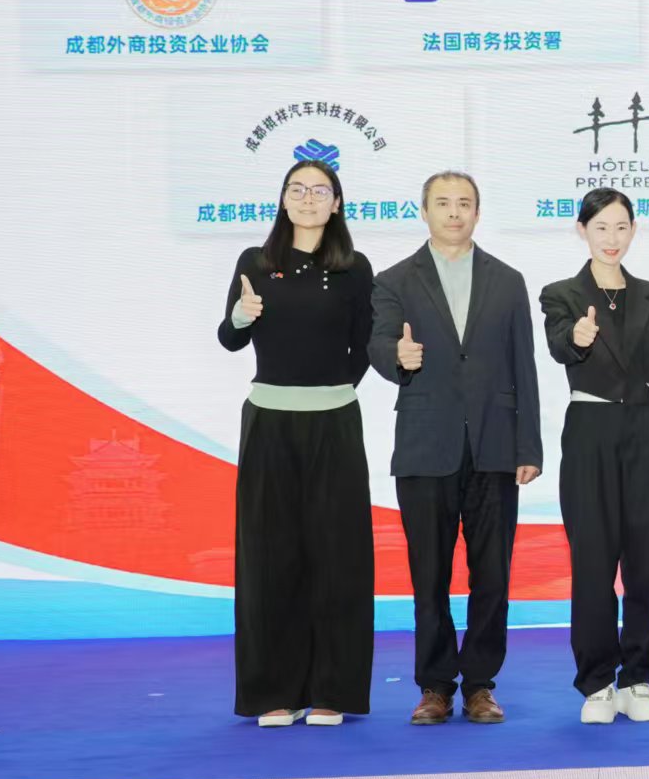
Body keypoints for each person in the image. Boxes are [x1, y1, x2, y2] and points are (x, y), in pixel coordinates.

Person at [370, 171, 542, 725]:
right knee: (430, 576)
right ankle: (436, 686)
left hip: (495, 446)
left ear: (477, 212)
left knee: (493, 575)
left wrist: (529, 446)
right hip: (426, 445)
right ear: (423, 212)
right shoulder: (395, 280)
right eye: (442, 203)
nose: (453, 212)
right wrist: (397, 358)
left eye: (464, 203)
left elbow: (524, 366)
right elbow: (378, 344)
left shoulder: (507, 280)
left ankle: (481, 685)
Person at [217, 160, 375, 727]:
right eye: (297, 190)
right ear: (283, 200)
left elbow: (364, 348)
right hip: (269, 422)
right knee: (270, 557)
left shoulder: (355, 268)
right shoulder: (254, 262)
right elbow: (229, 339)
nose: (308, 199)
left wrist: (329, 393)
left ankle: (332, 690)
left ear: (337, 203)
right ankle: (274, 692)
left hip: (334, 422)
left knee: (337, 557)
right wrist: (241, 315)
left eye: (320, 191)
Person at [539, 188, 649, 725]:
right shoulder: (561, 293)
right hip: (591, 432)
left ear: (633, 230)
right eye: (601, 227)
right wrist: (577, 337)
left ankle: (639, 677)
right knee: (593, 560)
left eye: (621, 227)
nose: (612, 238)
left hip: (647, 432)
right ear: (582, 230)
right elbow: (560, 344)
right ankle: (597, 681)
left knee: (645, 561)